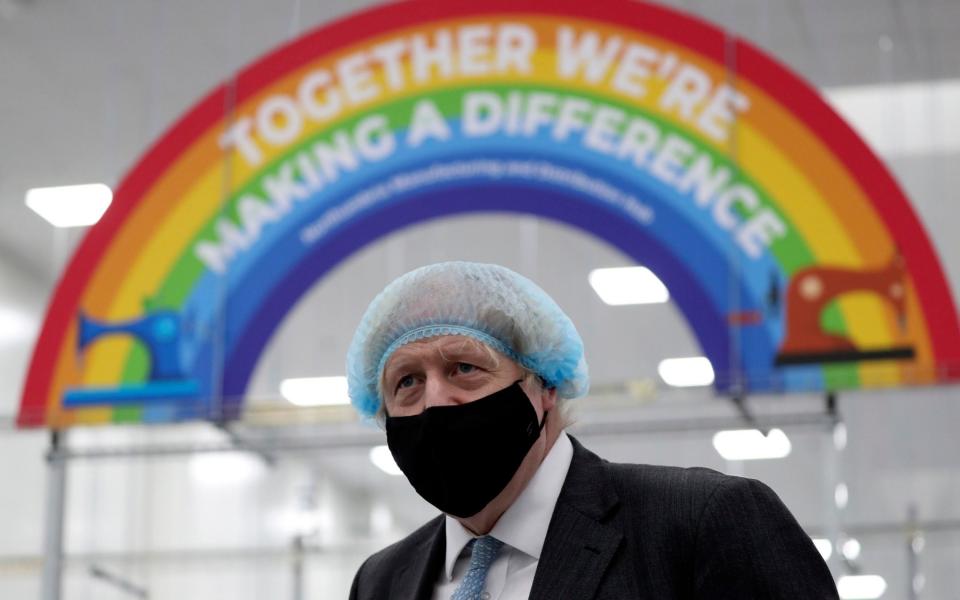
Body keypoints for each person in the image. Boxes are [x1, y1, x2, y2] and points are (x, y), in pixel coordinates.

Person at [346, 261, 838, 599]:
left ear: (544, 386)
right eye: (406, 382)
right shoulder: (383, 581)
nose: (435, 400)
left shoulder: (700, 525)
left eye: (464, 368)